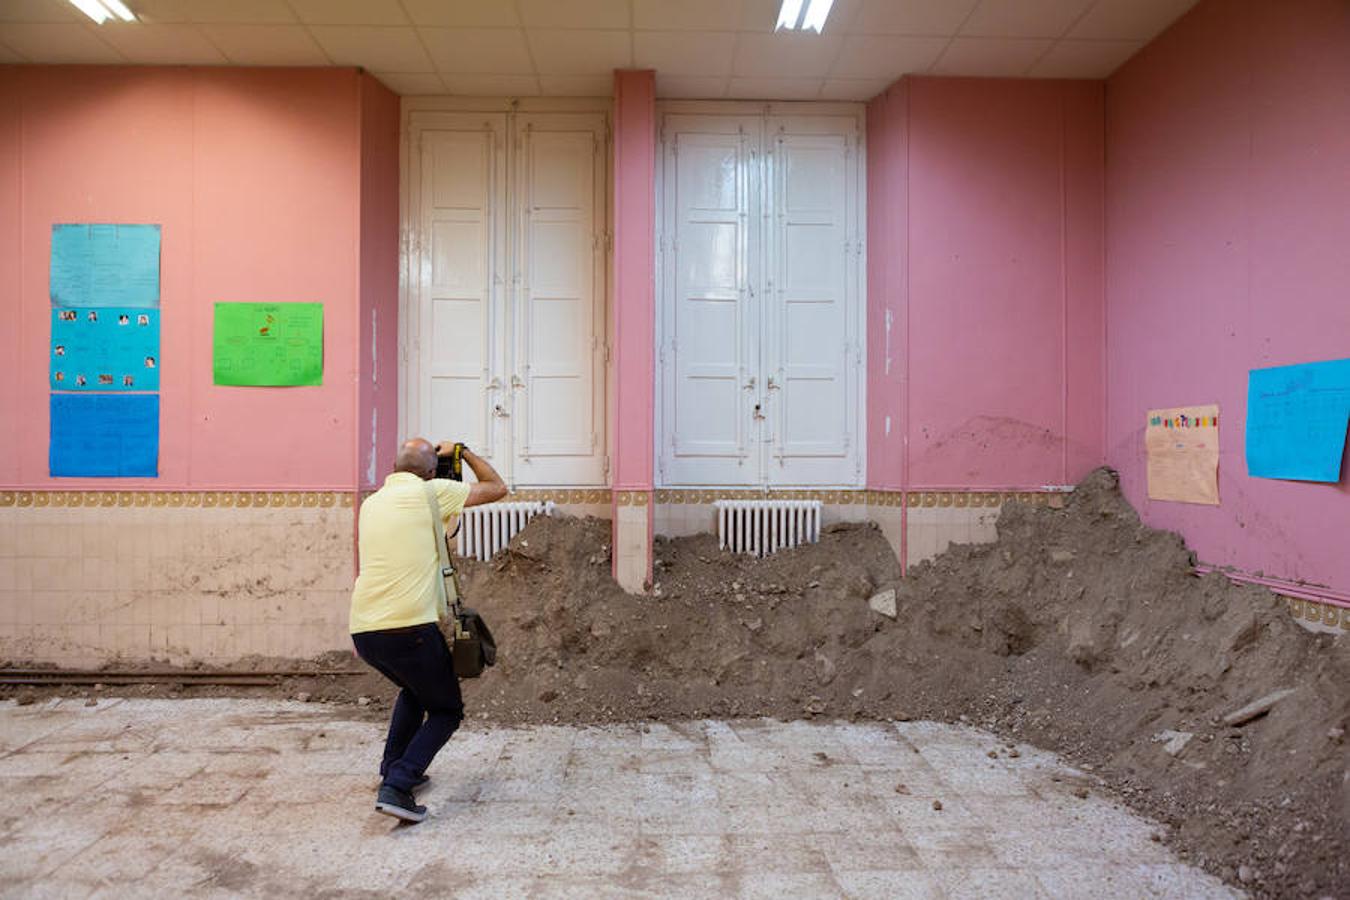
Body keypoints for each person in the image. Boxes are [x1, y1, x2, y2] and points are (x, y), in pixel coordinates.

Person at [349, 438, 507, 823]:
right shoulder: (432, 492)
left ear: (394, 466)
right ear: (431, 471)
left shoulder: (372, 502)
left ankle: (393, 768)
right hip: (409, 629)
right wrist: (463, 451)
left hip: (365, 631)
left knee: (415, 690)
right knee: (446, 709)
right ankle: (398, 786)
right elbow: (497, 487)